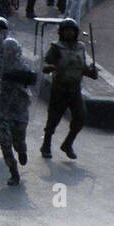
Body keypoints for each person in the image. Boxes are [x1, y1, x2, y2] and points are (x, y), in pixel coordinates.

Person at [0, 17, 33, 185]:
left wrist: (18, 78)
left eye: (12, 51)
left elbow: (32, 80)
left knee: (18, 142)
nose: (10, 54)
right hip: (2, 109)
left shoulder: (24, 67)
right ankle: (13, 172)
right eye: (7, 51)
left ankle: (22, 150)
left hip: (18, 110)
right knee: (5, 142)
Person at [40, 18, 97, 159]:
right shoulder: (56, 48)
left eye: (72, 31)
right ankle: (46, 145)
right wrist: (51, 67)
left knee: (81, 117)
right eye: (66, 31)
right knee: (53, 119)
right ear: (61, 32)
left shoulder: (81, 48)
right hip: (59, 88)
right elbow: (44, 64)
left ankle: (68, 143)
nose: (69, 33)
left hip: (75, 89)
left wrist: (91, 72)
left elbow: (82, 67)